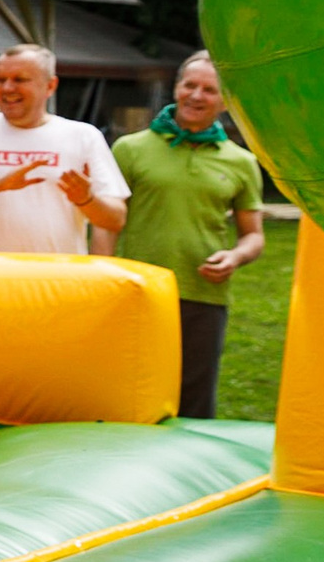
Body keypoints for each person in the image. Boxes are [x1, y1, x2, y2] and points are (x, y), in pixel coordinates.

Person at [112, 52, 264, 419]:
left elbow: (254, 237)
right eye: (189, 85)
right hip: (139, 292)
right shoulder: (129, 149)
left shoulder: (242, 162)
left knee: (193, 401)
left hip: (203, 294)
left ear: (226, 101)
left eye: (209, 90)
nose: (196, 95)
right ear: (176, 88)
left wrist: (235, 256)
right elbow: (107, 223)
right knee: (129, 393)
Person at [0, 45, 127, 255]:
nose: (7, 88)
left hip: (59, 273)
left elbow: (116, 219)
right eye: (0, 80)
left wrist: (86, 200)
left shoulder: (84, 136)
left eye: (19, 79)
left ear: (50, 86)